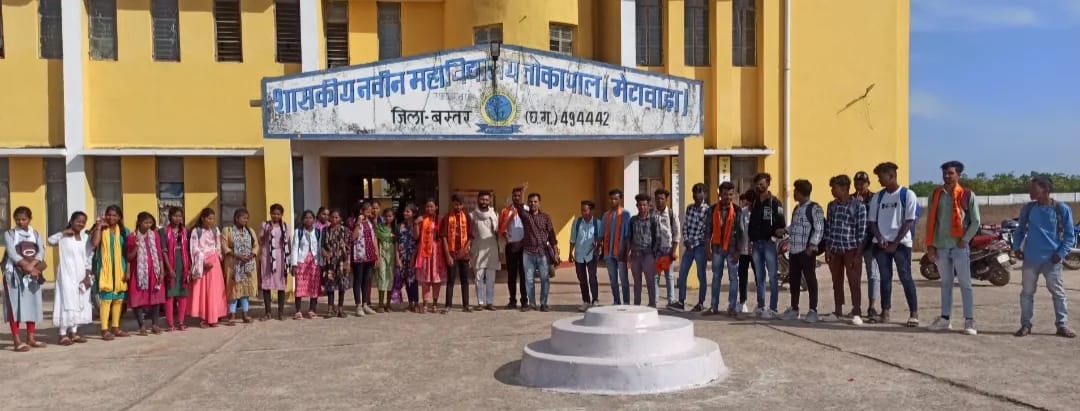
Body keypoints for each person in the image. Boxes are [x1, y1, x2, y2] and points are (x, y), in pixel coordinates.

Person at [1012, 175, 1076, 338]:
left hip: (1052, 259)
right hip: (1030, 259)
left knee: (1058, 293)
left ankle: (1062, 325)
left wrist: (1060, 254)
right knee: (1027, 293)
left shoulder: (1061, 209)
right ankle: (1025, 325)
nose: (1030, 191)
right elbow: (1020, 230)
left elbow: (1070, 236)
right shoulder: (1028, 209)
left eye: (1034, 188)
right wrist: (1016, 247)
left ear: (1046, 190)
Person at [926, 161, 981, 335]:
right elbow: (931, 221)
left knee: (965, 283)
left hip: (959, 246)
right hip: (941, 245)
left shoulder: (967, 194)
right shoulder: (936, 194)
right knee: (946, 283)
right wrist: (930, 245)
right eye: (945, 173)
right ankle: (945, 318)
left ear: (958, 175)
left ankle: (969, 321)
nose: (947, 176)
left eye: (950, 173)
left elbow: (976, 221)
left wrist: (965, 239)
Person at [869, 162, 920, 326]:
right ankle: (885, 311)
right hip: (881, 245)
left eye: (881, 177)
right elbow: (872, 222)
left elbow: (909, 221)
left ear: (891, 176)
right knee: (885, 278)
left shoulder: (907, 195)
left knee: (905, 277)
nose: (879, 180)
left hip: (901, 245)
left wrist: (895, 242)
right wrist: (880, 238)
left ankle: (913, 314)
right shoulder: (878, 197)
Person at [825, 175, 867, 325]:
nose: (832, 190)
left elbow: (862, 232)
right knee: (837, 281)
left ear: (844, 188)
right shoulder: (832, 206)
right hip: (835, 249)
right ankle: (838, 310)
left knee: (854, 281)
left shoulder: (858, 206)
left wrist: (858, 254)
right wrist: (827, 248)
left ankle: (856, 311)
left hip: (851, 249)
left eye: (834, 188)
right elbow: (828, 227)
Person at [781, 180, 825, 323]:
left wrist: (812, 245)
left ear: (800, 192)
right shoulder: (797, 208)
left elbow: (819, 228)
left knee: (810, 279)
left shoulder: (814, 208)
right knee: (794, 280)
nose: (793, 193)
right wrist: (785, 231)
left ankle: (813, 310)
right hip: (794, 250)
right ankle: (794, 309)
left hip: (806, 251)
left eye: (795, 191)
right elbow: (795, 226)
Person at [48, 211, 95, 345]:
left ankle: (74, 332)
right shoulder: (64, 236)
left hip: (81, 273)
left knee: (79, 301)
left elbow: (89, 256)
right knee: (66, 302)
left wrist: (87, 274)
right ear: (71, 221)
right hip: (66, 274)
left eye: (83, 222)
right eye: (78, 221)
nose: (80, 224)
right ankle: (62, 333)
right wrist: (63, 233)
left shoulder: (85, 238)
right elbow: (50, 241)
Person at [4, 207, 46, 351]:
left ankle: (31, 338)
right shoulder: (9, 234)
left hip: (32, 275)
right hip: (13, 274)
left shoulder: (36, 234)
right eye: (18, 219)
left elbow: (41, 252)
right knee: (14, 307)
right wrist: (27, 267)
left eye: (24, 219)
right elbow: (12, 254)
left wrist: (32, 266)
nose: (21, 222)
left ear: (30, 219)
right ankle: (17, 340)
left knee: (32, 304)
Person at [748, 173, 786, 319]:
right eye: (757, 184)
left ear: (768, 184)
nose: (759, 187)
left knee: (773, 276)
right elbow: (752, 223)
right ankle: (761, 306)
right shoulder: (755, 202)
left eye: (762, 184)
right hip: (756, 244)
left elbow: (781, 223)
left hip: (769, 244)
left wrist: (773, 236)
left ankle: (773, 308)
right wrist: (751, 241)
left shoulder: (775, 202)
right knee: (759, 277)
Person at [126, 212, 167, 336]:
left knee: (156, 298)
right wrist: (136, 246)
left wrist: (162, 271)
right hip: (139, 273)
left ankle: (155, 325)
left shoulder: (154, 235)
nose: (148, 225)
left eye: (150, 223)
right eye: (146, 223)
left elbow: (159, 254)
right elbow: (129, 257)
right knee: (137, 298)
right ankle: (141, 326)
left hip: (153, 272)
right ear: (139, 222)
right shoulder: (132, 236)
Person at [93, 205, 130, 339]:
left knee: (118, 300)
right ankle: (104, 329)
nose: (111, 217)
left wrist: (128, 271)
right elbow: (94, 244)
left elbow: (128, 253)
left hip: (121, 268)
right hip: (105, 269)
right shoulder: (101, 229)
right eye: (108, 214)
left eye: (114, 215)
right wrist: (98, 227)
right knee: (106, 299)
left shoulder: (125, 231)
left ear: (119, 217)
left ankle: (115, 327)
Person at [703, 182, 740, 317]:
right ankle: (714, 307)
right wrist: (708, 249)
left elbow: (741, 232)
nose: (727, 197)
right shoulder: (712, 209)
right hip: (717, 248)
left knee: (733, 278)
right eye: (725, 194)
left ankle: (732, 307)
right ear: (720, 194)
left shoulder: (737, 210)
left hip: (732, 249)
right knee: (716, 277)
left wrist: (738, 251)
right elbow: (708, 231)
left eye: (730, 194)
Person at [189, 208, 227, 328]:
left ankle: (214, 317)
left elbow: (218, 246)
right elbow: (194, 248)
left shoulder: (215, 230)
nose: (211, 221)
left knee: (214, 290)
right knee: (204, 291)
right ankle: (204, 318)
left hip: (214, 263)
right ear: (203, 218)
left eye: (213, 219)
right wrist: (203, 262)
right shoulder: (196, 231)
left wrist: (218, 258)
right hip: (202, 262)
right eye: (209, 218)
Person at [520, 193, 558, 312]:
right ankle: (532, 304)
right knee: (529, 280)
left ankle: (543, 304)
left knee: (544, 279)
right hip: (528, 252)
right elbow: (520, 206)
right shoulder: (526, 216)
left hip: (542, 253)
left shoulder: (546, 217)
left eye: (535, 201)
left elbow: (551, 235)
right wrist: (523, 192)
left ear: (539, 203)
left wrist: (556, 252)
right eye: (531, 202)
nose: (533, 204)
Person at [222, 208, 259, 325]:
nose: (245, 220)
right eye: (243, 218)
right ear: (236, 218)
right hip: (233, 264)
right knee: (233, 289)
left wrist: (251, 255)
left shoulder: (250, 231)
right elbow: (224, 246)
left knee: (245, 290)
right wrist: (237, 256)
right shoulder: (227, 230)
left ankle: (245, 314)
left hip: (248, 265)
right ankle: (232, 315)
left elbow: (256, 245)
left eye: (247, 218)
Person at [853, 171, 881, 322]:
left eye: (862, 183)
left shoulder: (875, 198)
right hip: (855, 242)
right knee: (855, 276)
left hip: (870, 242)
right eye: (857, 183)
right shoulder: (851, 199)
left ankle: (872, 306)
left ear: (868, 183)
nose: (859, 186)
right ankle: (856, 306)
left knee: (872, 274)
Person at [627, 194, 661, 307]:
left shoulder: (653, 219)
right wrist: (628, 254)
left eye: (644, 205)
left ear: (648, 205)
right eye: (640, 205)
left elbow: (658, 238)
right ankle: (637, 305)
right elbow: (629, 238)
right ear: (637, 206)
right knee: (637, 283)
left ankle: (652, 305)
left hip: (648, 255)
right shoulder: (633, 220)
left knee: (650, 281)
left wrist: (655, 256)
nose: (642, 207)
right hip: (635, 256)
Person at [258, 203, 291, 321]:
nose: (276, 216)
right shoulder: (264, 225)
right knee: (266, 285)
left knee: (281, 285)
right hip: (267, 257)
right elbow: (260, 240)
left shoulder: (285, 226)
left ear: (282, 214)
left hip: (280, 257)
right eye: (273, 213)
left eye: (278, 214)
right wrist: (267, 232)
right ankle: (268, 312)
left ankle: (280, 312)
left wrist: (289, 260)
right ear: (270, 213)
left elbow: (288, 242)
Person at [441, 194, 473, 313]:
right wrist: (447, 255)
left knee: (465, 280)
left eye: (460, 204)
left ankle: (466, 305)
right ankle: (448, 305)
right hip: (452, 253)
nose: (458, 207)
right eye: (456, 204)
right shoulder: (447, 217)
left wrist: (466, 249)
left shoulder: (467, 217)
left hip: (464, 253)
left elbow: (471, 236)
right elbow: (444, 236)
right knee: (450, 280)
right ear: (453, 204)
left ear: (463, 205)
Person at [160, 207, 190, 331]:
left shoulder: (185, 231)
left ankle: (181, 322)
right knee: (170, 295)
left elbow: (188, 250)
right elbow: (164, 252)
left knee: (183, 294)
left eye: (180, 216)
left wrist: (188, 268)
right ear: (169, 217)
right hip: (170, 264)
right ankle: (170, 324)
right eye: (175, 216)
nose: (177, 218)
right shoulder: (163, 231)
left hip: (183, 264)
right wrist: (169, 268)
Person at [499, 185, 528, 309]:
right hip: (511, 246)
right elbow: (501, 227)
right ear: (512, 197)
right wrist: (506, 238)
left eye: (519, 196)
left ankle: (524, 301)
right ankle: (512, 300)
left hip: (524, 247)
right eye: (515, 196)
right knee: (511, 275)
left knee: (523, 275)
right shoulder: (506, 211)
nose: (517, 198)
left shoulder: (527, 209)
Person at [569, 200, 601, 311]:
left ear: (591, 211)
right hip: (579, 255)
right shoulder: (577, 222)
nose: (583, 212)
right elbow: (573, 238)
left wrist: (598, 243)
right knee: (582, 279)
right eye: (582, 210)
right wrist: (570, 252)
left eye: (585, 210)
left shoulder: (597, 223)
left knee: (592, 278)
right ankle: (586, 301)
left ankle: (595, 300)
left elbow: (601, 238)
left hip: (591, 255)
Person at [601, 189, 632, 305]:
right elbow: (601, 234)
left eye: (615, 199)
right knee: (613, 279)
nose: (613, 201)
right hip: (609, 253)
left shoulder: (625, 214)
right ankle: (616, 301)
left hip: (621, 252)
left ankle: (626, 302)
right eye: (611, 199)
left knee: (623, 279)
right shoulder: (606, 215)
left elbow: (627, 236)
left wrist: (627, 252)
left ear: (620, 199)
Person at [471, 191, 501, 311]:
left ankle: (489, 302)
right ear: (478, 200)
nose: (484, 202)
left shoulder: (494, 214)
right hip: (478, 249)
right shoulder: (472, 215)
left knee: (491, 278)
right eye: (482, 199)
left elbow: (497, 233)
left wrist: (500, 250)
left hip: (491, 249)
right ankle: (480, 302)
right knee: (478, 278)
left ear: (490, 201)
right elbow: (470, 234)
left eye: (486, 200)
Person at [416, 199, 447, 313]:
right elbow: (416, 236)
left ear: (436, 207)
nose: (429, 209)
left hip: (437, 252)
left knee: (436, 279)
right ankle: (425, 304)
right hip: (425, 251)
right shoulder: (422, 220)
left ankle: (434, 303)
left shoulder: (441, 219)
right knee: (425, 279)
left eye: (431, 206)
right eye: (427, 206)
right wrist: (416, 223)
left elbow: (445, 236)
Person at [291, 210, 322, 319]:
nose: (308, 220)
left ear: (314, 219)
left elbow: (319, 248)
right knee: (299, 286)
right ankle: (298, 311)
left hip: (314, 262)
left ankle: (312, 310)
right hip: (302, 262)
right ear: (303, 220)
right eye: (306, 218)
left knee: (314, 286)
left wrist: (321, 263)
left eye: (310, 218)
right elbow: (295, 248)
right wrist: (294, 264)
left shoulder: (318, 232)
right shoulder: (298, 232)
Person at [321, 210, 352, 318]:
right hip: (330, 262)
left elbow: (349, 248)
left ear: (340, 219)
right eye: (332, 217)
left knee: (342, 285)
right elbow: (322, 246)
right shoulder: (326, 230)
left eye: (336, 217)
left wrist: (348, 262)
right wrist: (324, 252)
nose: (334, 219)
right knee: (330, 286)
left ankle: (340, 309)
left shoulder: (345, 230)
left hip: (342, 261)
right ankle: (330, 309)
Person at [652, 189, 680, 308]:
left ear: (666, 199)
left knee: (669, 276)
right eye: (657, 198)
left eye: (662, 198)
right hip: (656, 250)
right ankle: (654, 301)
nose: (659, 201)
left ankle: (671, 300)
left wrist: (673, 251)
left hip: (668, 249)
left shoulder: (671, 214)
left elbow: (677, 233)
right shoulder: (653, 214)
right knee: (655, 276)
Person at [350, 201, 378, 317]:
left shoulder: (371, 222)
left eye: (370, 211)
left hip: (370, 255)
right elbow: (353, 237)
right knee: (358, 279)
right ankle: (358, 305)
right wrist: (358, 223)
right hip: (359, 255)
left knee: (367, 280)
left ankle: (365, 304)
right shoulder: (353, 221)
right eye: (367, 211)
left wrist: (377, 254)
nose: (369, 213)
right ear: (361, 211)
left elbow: (374, 238)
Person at [395, 205, 420, 312]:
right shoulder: (400, 226)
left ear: (413, 214)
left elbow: (417, 240)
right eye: (405, 211)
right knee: (405, 280)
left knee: (413, 280)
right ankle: (410, 303)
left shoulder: (416, 225)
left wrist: (413, 257)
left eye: (408, 211)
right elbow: (397, 243)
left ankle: (416, 302)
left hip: (412, 256)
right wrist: (397, 258)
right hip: (402, 257)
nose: (405, 213)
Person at [735, 190, 755, 314]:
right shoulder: (743, 212)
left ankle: (761, 304)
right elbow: (740, 231)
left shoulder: (758, 212)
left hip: (756, 251)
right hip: (743, 251)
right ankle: (742, 302)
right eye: (748, 200)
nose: (749, 203)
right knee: (742, 277)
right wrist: (738, 249)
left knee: (759, 277)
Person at [374, 207, 397, 312]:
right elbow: (379, 237)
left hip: (392, 256)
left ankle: (388, 304)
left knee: (390, 279)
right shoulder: (380, 227)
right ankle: (380, 304)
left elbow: (396, 240)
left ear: (393, 217)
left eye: (390, 216)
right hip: (382, 255)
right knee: (382, 278)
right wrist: (389, 236)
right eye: (386, 216)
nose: (388, 218)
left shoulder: (395, 228)